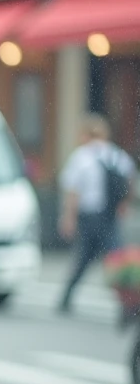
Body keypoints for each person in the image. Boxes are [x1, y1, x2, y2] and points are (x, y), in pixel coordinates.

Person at [57, 113, 135, 314]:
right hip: (109, 215)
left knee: (84, 258)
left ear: (85, 135)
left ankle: (66, 298)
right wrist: (122, 204)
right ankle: (126, 304)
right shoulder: (116, 155)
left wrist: (68, 217)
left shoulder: (81, 157)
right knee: (115, 259)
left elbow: (73, 191)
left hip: (90, 215)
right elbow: (129, 181)